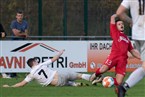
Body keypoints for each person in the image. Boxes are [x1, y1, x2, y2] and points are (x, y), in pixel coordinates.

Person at [89, 14, 141, 91]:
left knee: (119, 82)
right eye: (119, 24)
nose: (121, 25)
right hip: (114, 56)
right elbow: (112, 17)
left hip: (123, 60)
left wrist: (142, 57)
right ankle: (95, 75)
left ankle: (103, 79)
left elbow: (133, 51)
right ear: (116, 26)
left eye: (122, 24)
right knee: (103, 69)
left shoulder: (127, 39)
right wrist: (120, 13)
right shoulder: (115, 32)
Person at [3, 50, 93, 87]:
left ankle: (74, 84)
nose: (37, 61)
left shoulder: (31, 74)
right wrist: (60, 52)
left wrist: (10, 86)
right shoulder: (41, 65)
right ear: (34, 62)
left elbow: (22, 83)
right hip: (60, 74)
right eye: (36, 61)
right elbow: (54, 59)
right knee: (79, 75)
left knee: (62, 82)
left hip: (57, 83)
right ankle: (93, 78)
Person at [116, 0, 145, 97]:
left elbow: (119, 12)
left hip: (137, 34)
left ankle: (123, 87)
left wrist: (132, 21)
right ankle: (124, 87)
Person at [9, 9, 29, 77]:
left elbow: (26, 34)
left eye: (21, 16)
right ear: (16, 16)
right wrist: (21, 33)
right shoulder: (13, 23)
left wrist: (20, 32)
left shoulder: (25, 23)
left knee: (23, 58)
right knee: (14, 58)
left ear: (22, 16)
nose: (20, 17)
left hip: (22, 43)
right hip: (14, 43)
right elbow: (15, 34)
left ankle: (27, 73)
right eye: (18, 16)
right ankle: (12, 74)